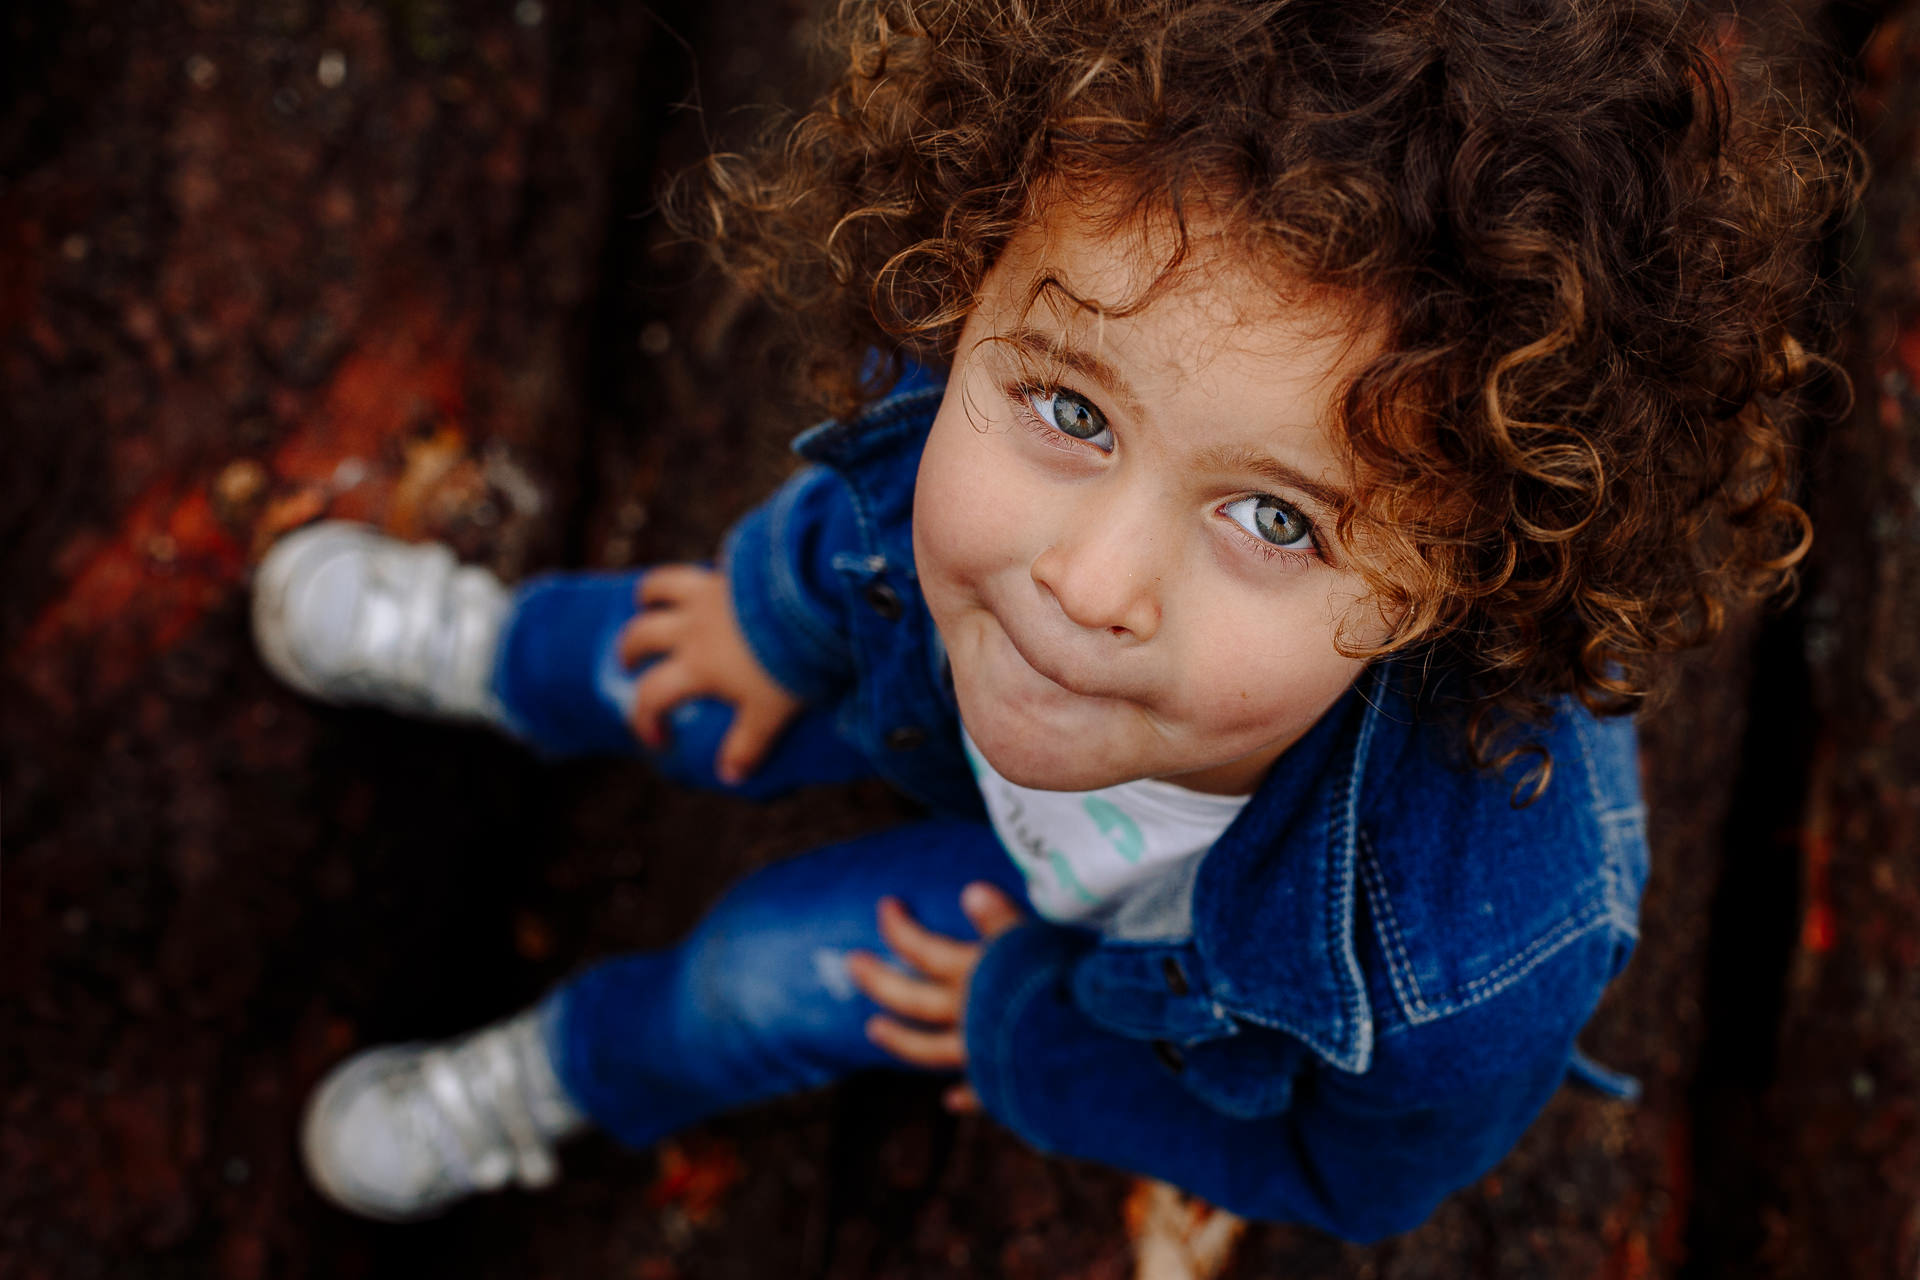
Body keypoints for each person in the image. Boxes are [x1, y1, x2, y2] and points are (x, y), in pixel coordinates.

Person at [249, 0, 1849, 1241]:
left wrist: (1028, 1039)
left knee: (754, 976)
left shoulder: (1476, 945)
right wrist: (768, 615)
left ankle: (555, 1073)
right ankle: (503, 660)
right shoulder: (1018, 355)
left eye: (1275, 518)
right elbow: (859, 526)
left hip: (1098, 941)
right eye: (1072, 413)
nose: (1089, 581)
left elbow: (1351, 1178)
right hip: (923, 683)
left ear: (1450, 585)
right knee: (668, 650)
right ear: (980, 282)